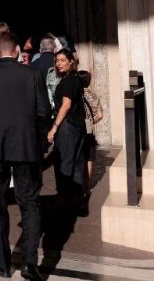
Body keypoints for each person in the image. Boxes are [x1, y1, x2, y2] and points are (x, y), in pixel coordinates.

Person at [0, 33, 50, 280]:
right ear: (15, 50)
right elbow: (44, 111)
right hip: (25, 145)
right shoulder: (32, 74)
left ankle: (3, 264)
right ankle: (29, 263)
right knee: (30, 202)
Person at [47, 48, 86, 209]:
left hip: (68, 126)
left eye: (62, 60)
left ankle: (63, 200)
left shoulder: (69, 80)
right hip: (77, 126)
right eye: (57, 61)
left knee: (64, 163)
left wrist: (54, 128)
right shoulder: (76, 79)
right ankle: (78, 201)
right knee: (77, 163)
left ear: (71, 62)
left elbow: (66, 105)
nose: (59, 64)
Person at [77, 70, 103, 195]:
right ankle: (87, 186)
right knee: (89, 157)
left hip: (78, 130)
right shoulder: (94, 95)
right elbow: (100, 115)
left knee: (79, 156)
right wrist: (91, 122)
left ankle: (79, 185)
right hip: (89, 131)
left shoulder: (77, 95)